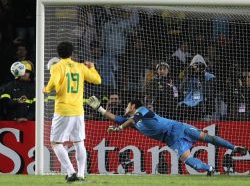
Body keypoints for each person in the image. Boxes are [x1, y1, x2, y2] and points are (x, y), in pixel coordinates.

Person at [87, 96, 248, 176]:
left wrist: (119, 129)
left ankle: (234, 148)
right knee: (192, 162)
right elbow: (116, 118)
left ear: (133, 106)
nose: (125, 108)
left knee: (206, 139)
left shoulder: (142, 111)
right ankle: (210, 169)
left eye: (127, 106)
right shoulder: (132, 121)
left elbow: (130, 120)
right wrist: (100, 108)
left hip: (177, 128)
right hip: (172, 138)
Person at [43, 41, 101, 182]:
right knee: (78, 142)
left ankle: (70, 172)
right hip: (78, 111)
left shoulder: (57, 67)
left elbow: (54, 82)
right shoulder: (80, 67)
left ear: (58, 53)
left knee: (56, 143)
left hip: (63, 110)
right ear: (72, 53)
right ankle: (81, 174)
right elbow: (97, 80)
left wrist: (46, 89)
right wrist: (92, 68)